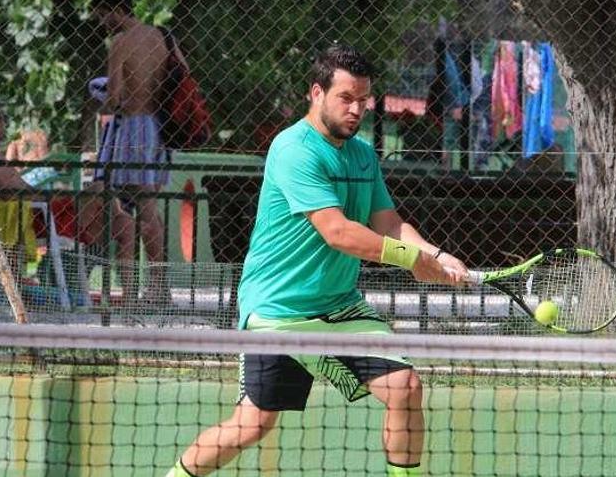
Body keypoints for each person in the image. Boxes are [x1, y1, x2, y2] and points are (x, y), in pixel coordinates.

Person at [164, 44, 468, 477]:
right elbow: (338, 231)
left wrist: (435, 255)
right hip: (278, 312)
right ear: (317, 93)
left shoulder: (363, 156)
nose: (356, 109)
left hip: (339, 306)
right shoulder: (293, 149)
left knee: (405, 386)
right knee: (251, 426)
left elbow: (386, 221)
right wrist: (411, 260)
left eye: (363, 100)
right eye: (346, 98)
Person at [0, 100, 138, 302]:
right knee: (100, 188)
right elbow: (10, 196)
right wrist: (48, 196)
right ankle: (86, 238)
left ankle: (129, 299)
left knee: (126, 225)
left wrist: (50, 196)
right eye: (2, 121)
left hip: (47, 208)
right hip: (39, 216)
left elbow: (21, 190)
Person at [91, 0, 179, 303]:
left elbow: (114, 97)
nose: (102, 23)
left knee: (135, 209)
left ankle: (150, 287)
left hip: (133, 129)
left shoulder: (121, 42)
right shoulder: (162, 37)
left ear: (114, 10)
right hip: (160, 127)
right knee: (147, 207)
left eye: (102, 15)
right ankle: (156, 283)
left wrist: (99, 92)